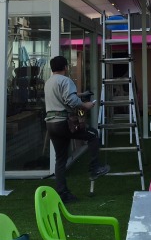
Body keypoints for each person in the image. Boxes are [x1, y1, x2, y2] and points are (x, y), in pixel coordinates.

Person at [44, 55, 110, 203]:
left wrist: (81, 95)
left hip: (51, 124)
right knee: (93, 134)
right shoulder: (66, 80)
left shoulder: (49, 82)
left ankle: (62, 193)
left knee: (60, 159)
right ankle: (95, 168)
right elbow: (72, 101)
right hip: (63, 122)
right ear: (65, 67)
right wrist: (86, 105)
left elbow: (61, 96)